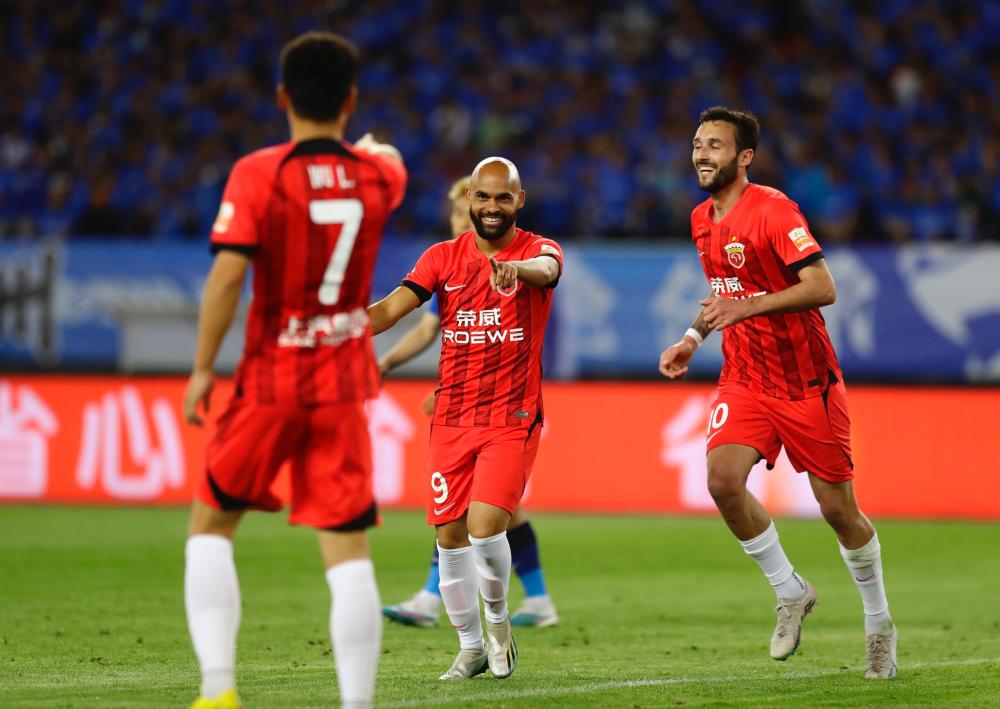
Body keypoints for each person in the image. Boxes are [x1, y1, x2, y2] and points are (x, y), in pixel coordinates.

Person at [181, 32, 406, 709]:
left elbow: (228, 276)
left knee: (211, 525)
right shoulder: (379, 178)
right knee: (348, 552)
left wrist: (202, 367)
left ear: (282, 96)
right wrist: (368, 147)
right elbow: (388, 157)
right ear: (351, 100)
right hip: (343, 384)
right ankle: (356, 703)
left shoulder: (258, 173)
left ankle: (218, 689)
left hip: (271, 378)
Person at [659, 106, 897, 680]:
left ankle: (879, 624)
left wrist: (747, 307)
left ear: (744, 157)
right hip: (745, 377)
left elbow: (822, 286)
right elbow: (724, 292)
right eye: (697, 144)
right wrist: (692, 338)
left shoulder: (773, 210)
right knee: (722, 481)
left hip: (805, 383)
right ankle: (790, 590)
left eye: (715, 145)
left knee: (839, 512)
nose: (701, 154)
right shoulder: (700, 219)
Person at [368, 157, 562, 680]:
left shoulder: (539, 249)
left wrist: (517, 271)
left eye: (503, 197)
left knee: (484, 527)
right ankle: (471, 646)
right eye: (483, 197)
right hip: (452, 418)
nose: (492, 207)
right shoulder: (442, 258)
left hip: (511, 417)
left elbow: (548, 270)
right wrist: (337, 327)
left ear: (519, 201)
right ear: (470, 200)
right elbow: (389, 310)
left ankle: (498, 623)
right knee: (449, 537)